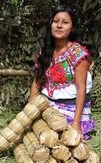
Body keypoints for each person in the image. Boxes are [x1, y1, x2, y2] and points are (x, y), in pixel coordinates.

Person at [29, 4, 95, 140]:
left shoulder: (78, 54)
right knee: (35, 133)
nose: (59, 26)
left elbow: (81, 89)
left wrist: (76, 123)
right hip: (49, 106)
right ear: (50, 25)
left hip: (72, 109)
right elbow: (37, 82)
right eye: (55, 21)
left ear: (72, 28)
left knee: (58, 139)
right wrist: (28, 112)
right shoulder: (44, 52)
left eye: (65, 22)